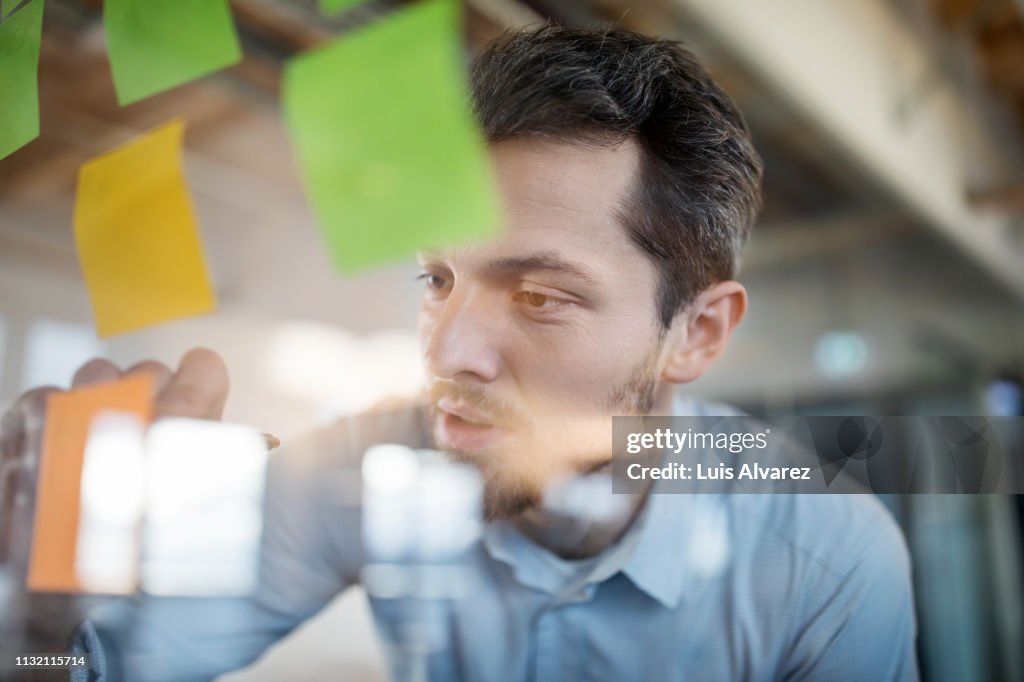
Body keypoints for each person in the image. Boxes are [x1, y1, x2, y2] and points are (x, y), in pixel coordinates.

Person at [0, 24, 917, 682]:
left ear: (697, 333)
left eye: (540, 296)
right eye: (437, 280)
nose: (450, 351)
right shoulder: (363, 470)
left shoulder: (823, 557)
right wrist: (44, 609)